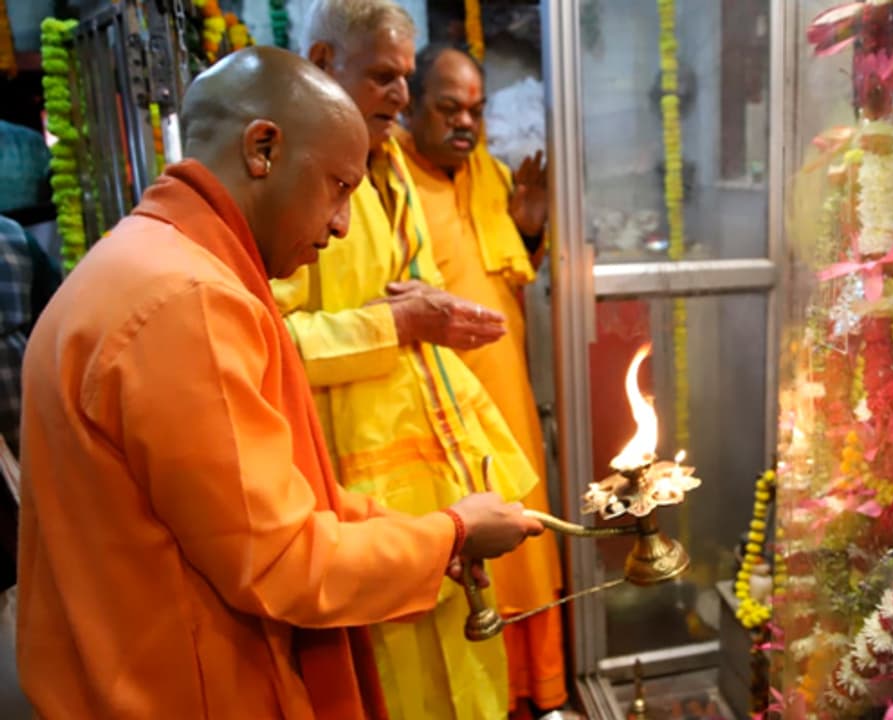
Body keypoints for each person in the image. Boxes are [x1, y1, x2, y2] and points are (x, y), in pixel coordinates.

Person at [16, 46, 542, 719]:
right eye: (338, 187)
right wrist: (449, 535)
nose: (340, 225)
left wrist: (427, 530)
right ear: (262, 149)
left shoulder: (141, 259)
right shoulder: (188, 300)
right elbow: (284, 561)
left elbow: (256, 504)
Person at [280, 2, 542, 717]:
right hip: (354, 474)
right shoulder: (291, 177)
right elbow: (265, 342)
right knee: (398, 676)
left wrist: (433, 313)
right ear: (327, 65)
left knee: (467, 649)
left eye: (404, 77)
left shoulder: (389, 159)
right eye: (385, 77)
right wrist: (395, 325)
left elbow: (413, 289)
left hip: (440, 463)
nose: (399, 95)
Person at [397, 43, 566, 717]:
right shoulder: (392, 181)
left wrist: (529, 228)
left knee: (528, 544)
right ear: (413, 105)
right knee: (474, 554)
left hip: (509, 398)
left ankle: (541, 693)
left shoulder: (493, 174)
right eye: (448, 108)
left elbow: (509, 271)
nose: (465, 123)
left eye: (475, 109)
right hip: (443, 413)